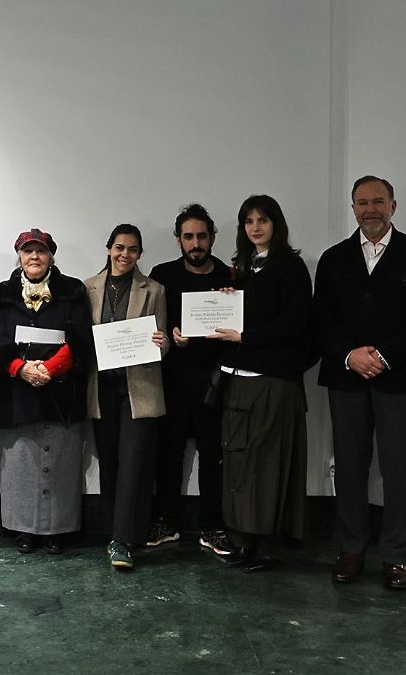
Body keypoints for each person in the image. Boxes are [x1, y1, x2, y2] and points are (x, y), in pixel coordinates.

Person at [313, 176, 406, 591]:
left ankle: (395, 556)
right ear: (352, 208)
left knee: (395, 467)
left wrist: (384, 356)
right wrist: (350, 355)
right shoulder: (332, 259)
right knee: (349, 466)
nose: (370, 209)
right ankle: (351, 549)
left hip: (400, 379)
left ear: (393, 205)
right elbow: (321, 320)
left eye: (378, 202)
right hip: (346, 377)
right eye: (362, 202)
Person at [207, 195, 314, 571]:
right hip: (237, 378)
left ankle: (267, 545)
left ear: (276, 224)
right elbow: (238, 318)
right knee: (237, 464)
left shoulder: (291, 266)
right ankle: (242, 542)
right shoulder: (242, 268)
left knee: (266, 465)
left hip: (272, 381)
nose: (255, 227)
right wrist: (226, 301)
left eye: (262, 220)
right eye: (248, 221)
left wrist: (245, 335)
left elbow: (295, 322)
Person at [0, 229, 93, 555]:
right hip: (16, 394)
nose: (34, 257)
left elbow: (80, 339)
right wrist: (21, 368)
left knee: (61, 464)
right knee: (20, 465)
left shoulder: (73, 291)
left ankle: (57, 530)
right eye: (28, 251)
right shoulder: (1, 294)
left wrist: (49, 368)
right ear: (19, 255)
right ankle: (23, 529)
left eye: (41, 251)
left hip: (60, 393)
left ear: (51, 256)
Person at [147, 203, 237, 558]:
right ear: (178, 240)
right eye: (188, 237)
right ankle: (166, 521)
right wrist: (169, 334)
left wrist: (235, 306)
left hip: (216, 380)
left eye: (201, 236)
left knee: (213, 454)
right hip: (171, 379)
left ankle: (212, 526)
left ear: (212, 237)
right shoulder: (162, 275)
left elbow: (241, 328)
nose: (195, 243)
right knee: (167, 453)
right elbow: (152, 323)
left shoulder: (231, 277)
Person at [83, 224, 168, 569]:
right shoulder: (87, 288)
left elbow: (163, 348)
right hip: (101, 389)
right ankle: (113, 532)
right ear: (108, 249)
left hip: (139, 390)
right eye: (119, 247)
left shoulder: (155, 290)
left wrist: (163, 345)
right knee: (110, 463)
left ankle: (123, 540)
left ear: (139, 254)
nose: (125, 255)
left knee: (134, 464)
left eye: (132, 249)